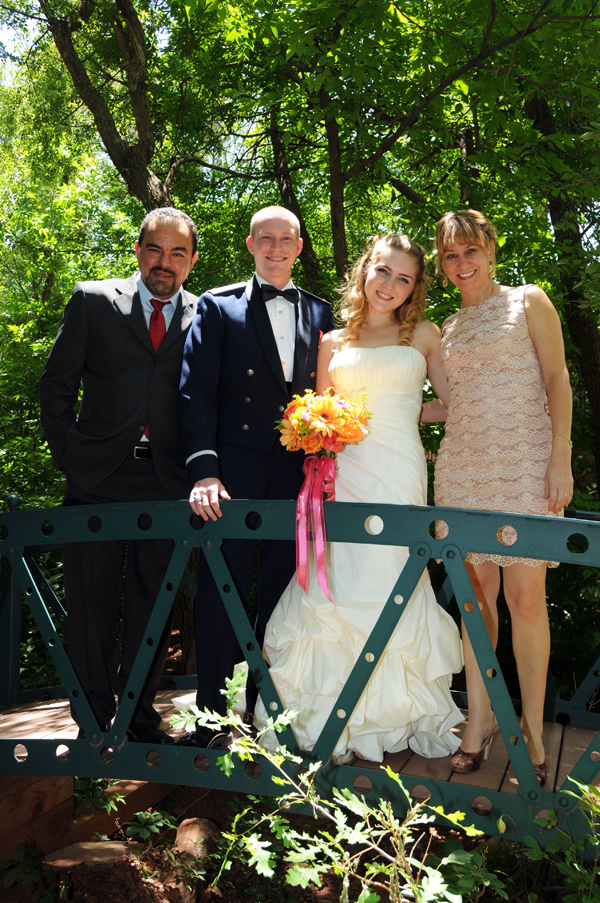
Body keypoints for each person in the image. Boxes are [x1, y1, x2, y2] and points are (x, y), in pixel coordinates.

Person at [254, 233, 464, 764]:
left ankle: (395, 714)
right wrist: (326, 425)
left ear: (414, 288)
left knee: (391, 573)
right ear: (365, 271)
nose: (389, 285)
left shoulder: (424, 336)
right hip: (343, 474)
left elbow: (449, 404)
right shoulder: (332, 343)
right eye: (383, 271)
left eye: (404, 278)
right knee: (339, 576)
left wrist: (391, 416)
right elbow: (317, 410)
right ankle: (321, 716)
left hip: (399, 469)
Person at [39, 207, 199, 744]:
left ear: (192, 261)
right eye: (155, 249)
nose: (165, 262)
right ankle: (91, 719)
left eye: (178, 253)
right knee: (90, 601)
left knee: (154, 603)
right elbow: (55, 386)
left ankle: (137, 717)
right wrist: (70, 454)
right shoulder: (92, 301)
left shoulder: (205, 317)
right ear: (138, 250)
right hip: (97, 479)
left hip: (167, 481)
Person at [178, 205, 336, 748]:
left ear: (298, 245)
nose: (275, 247)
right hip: (231, 478)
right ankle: (209, 720)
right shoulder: (217, 306)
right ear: (250, 245)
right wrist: (203, 470)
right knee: (220, 593)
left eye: (285, 238)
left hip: (298, 478)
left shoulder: (320, 312)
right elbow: (194, 394)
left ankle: (261, 717)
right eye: (265, 239)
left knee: (282, 596)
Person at [429, 209, 573, 786]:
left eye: (470, 251)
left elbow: (558, 378)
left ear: (490, 250)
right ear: (442, 267)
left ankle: (532, 730)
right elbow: (449, 406)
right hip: (463, 468)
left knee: (525, 598)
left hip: (524, 464)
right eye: (450, 256)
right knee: (475, 599)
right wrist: (377, 417)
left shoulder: (528, 301)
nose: (462, 263)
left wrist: (559, 455)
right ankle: (480, 721)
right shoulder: (447, 329)